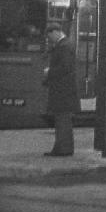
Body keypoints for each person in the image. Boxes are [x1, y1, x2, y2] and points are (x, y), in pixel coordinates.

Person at [43, 22, 80, 156]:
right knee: (62, 121)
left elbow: (65, 67)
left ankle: (63, 149)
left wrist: (49, 72)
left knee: (62, 121)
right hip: (64, 91)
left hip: (63, 92)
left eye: (49, 36)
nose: (49, 39)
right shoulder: (65, 45)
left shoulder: (64, 46)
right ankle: (62, 148)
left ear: (55, 32)